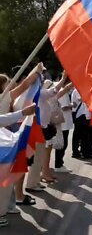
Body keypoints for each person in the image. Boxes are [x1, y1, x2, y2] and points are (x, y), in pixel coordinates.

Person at [0, 63, 44, 227]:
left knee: (6, 177)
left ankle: (9, 205)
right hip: (5, 141)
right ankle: (5, 208)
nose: (11, 83)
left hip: (7, 139)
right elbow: (25, 84)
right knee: (6, 178)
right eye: (7, 83)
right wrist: (37, 71)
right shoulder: (5, 96)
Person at [55, 83, 74, 172]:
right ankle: (58, 164)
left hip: (65, 122)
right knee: (62, 144)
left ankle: (59, 163)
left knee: (63, 143)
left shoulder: (62, 91)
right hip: (63, 122)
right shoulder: (62, 92)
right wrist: (72, 105)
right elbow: (64, 107)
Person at [71, 88, 92, 159]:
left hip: (83, 114)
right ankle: (82, 152)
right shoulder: (77, 90)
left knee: (79, 134)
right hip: (80, 114)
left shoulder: (80, 89)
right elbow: (81, 99)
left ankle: (79, 151)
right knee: (82, 135)